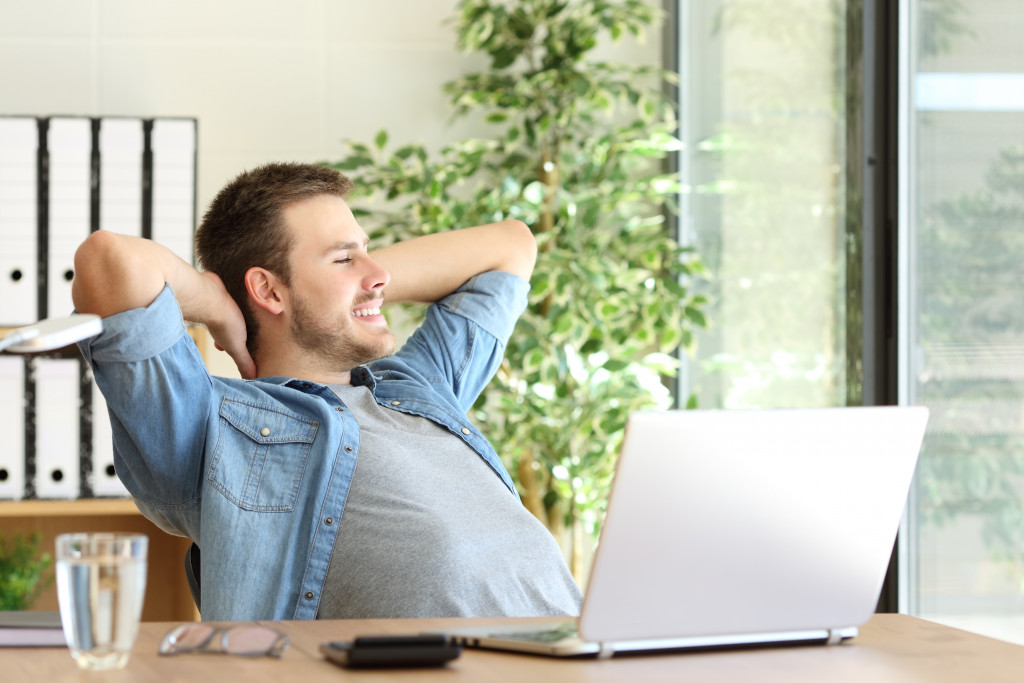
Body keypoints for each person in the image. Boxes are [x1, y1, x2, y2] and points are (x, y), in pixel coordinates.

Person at [72, 162, 582, 622]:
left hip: (581, 654)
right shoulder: (210, 425)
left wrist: (357, 286)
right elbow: (110, 260)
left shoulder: (418, 384)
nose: (380, 274)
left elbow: (511, 246)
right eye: (343, 259)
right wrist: (217, 303)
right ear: (268, 290)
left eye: (366, 252)